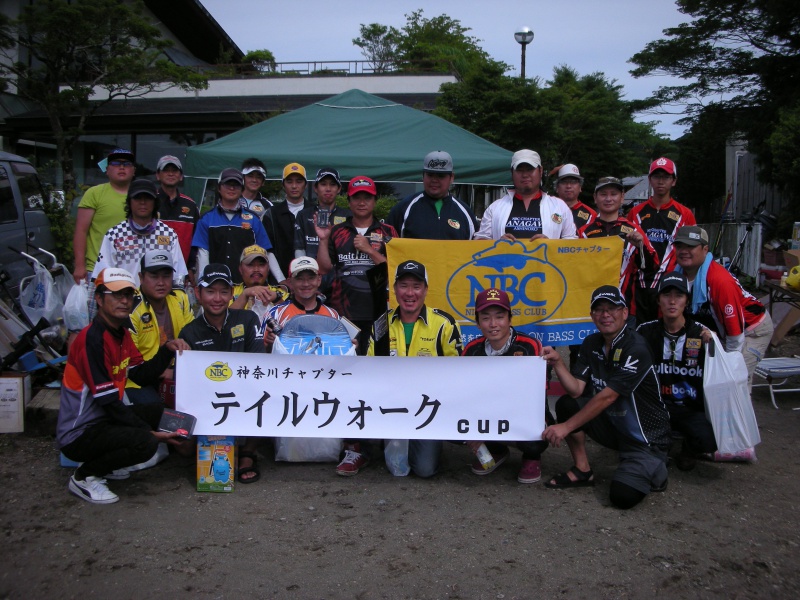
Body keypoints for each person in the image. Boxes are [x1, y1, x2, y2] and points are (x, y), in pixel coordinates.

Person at [57, 267, 191, 504]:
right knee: (146, 442)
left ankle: (106, 465)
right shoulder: (91, 340)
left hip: (103, 420)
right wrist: (149, 432)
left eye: (128, 295)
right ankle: (84, 476)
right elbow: (107, 401)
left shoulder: (121, 334)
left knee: (165, 413)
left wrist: (166, 348)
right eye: (116, 294)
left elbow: (140, 376)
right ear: (98, 299)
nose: (124, 300)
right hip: (79, 433)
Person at [542, 285, 671, 510]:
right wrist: (558, 362)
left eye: (612, 309)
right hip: (615, 426)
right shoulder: (591, 343)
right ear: (592, 315)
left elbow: (607, 397)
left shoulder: (636, 346)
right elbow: (576, 390)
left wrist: (564, 428)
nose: (605, 315)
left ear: (624, 313)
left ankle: (656, 465)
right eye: (599, 310)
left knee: (622, 497)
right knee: (567, 404)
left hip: (645, 438)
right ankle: (582, 470)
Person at [367, 260, 463, 478]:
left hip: (428, 408)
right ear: (394, 289)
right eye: (403, 285)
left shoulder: (445, 324)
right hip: (391, 406)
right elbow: (369, 370)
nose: (410, 293)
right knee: (395, 465)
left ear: (426, 290)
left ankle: (431, 444)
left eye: (416, 286)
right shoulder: (381, 324)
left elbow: (458, 372)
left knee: (424, 470)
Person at [179, 264, 266, 483]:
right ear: (198, 294)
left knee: (266, 392)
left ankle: (247, 453)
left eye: (223, 291)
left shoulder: (247, 320)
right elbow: (188, 383)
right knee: (184, 450)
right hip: (207, 398)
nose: (217, 298)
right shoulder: (188, 332)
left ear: (231, 294)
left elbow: (258, 365)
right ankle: (214, 451)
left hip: (244, 391)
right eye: (210, 291)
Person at [462, 288, 549, 483]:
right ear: (477, 323)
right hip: (487, 413)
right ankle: (496, 450)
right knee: (452, 426)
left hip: (520, 412)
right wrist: (471, 430)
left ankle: (531, 456)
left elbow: (536, 396)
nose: (493, 324)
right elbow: (465, 394)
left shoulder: (529, 346)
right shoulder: (471, 350)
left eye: (499, 317)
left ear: (510, 319)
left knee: (536, 428)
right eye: (485, 318)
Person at [673, 225, 773, 387]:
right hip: (719, 330)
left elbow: (735, 334)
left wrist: (730, 363)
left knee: (735, 380)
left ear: (705, 249)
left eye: (690, 246)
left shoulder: (720, 281)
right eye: (679, 246)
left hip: (751, 330)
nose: (684, 251)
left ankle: (739, 410)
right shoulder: (677, 274)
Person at [637, 271, 716, 471]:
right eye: (666, 295)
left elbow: (721, 370)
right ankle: (659, 444)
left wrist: (713, 346)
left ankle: (689, 447)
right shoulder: (644, 332)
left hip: (690, 408)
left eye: (678, 296)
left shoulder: (702, 333)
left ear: (687, 301)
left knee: (711, 439)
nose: (672, 301)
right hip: (656, 406)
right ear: (658, 300)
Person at [316, 176, 397, 355]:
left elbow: (395, 270)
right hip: (344, 312)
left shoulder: (388, 232)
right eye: (356, 198)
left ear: (375, 201)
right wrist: (323, 240)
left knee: (378, 365)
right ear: (349, 201)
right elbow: (323, 269)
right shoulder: (337, 231)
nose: (362, 202)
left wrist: (370, 250)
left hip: (379, 312)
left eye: (367, 197)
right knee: (344, 363)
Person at [578, 177, 658, 321]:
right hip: (588, 309)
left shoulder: (633, 230)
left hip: (623, 308)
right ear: (595, 198)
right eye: (603, 194)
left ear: (622, 198)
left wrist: (641, 246)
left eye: (613, 194)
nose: (608, 199)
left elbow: (651, 267)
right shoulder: (583, 233)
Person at [627, 157, 697, 322]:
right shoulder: (635, 213)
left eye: (665, 177)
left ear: (674, 181)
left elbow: (694, 249)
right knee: (640, 333)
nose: (661, 181)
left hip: (669, 282)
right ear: (650, 180)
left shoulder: (684, 214)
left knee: (666, 329)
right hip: (640, 283)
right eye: (656, 176)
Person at [192, 168, 282, 285]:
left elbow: (267, 252)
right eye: (227, 184)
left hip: (246, 286)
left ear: (242, 190)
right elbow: (202, 255)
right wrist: (202, 283)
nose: (232, 188)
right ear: (219, 188)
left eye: (236, 185)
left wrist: (281, 279)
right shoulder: (206, 219)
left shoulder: (253, 219)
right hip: (217, 287)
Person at [127, 250, 195, 406]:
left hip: (178, 373)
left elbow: (193, 337)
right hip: (139, 379)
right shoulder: (131, 307)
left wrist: (177, 372)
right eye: (154, 276)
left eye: (166, 276)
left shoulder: (180, 298)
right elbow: (132, 367)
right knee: (154, 408)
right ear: (141, 278)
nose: (161, 282)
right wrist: (163, 372)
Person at [91, 178, 188, 287]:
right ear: (129, 201)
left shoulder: (168, 234)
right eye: (137, 198)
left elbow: (178, 276)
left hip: (158, 302)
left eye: (148, 198)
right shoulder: (114, 234)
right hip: (124, 300)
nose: (142, 202)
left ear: (155, 202)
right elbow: (103, 275)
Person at [474, 149, 577, 241]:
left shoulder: (559, 207)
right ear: (512, 172)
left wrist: (551, 246)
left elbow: (572, 243)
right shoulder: (495, 208)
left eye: (530, 169)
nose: (525, 175)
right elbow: (479, 241)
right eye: (519, 170)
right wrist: (497, 245)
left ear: (540, 171)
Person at [73, 148, 135, 283]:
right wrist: (79, 265)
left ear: (134, 171)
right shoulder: (94, 193)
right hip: (98, 268)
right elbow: (81, 231)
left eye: (127, 164)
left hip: (133, 269)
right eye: (116, 163)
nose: (122, 167)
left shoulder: (142, 195)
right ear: (107, 170)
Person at [386, 151, 478, 240]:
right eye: (430, 175)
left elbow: (476, 250)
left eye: (440, 176)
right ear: (423, 176)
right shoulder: (404, 209)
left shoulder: (465, 212)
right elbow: (386, 246)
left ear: (451, 177)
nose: (434, 180)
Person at [294, 167, 351, 298]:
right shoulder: (303, 215)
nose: (328, 189)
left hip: (340, 282)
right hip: (310, 280)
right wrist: (304, 278)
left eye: (332, 184)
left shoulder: (348, 216)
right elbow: (299, 249)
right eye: (323, 184)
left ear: (339, 188)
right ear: (315, 188)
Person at [262, 256, 340, 348]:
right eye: (299, 279)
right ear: (290, 282)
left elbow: (338, 351)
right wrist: (270, 345)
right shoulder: (274, 314)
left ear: (319, 280)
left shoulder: (333, 315)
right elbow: (260, 354)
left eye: (311, 278)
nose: (306, 284)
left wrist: (350, 346)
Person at [263, 163, 308, 282]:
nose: (294, 186)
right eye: (289, 182)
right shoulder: (271, 214)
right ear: (283, 185)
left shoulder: (315, 212)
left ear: (305, 185)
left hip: (311, 282)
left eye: (299, 181)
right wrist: (281, 279)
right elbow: (268, 249)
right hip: (279, 282)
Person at [155, 155, 200, 273]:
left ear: (181, 177)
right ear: (158, 175)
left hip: (181, 272)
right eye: (166, 170)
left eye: (174, 170)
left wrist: (191, 267)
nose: (171, 174)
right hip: (152, 271)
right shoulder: (149, 201)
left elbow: (196, 241)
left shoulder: (190, 205)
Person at [230, 245, 287, 312]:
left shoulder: (281, 293)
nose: (256, 269)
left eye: (261, 265)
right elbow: (224, 320)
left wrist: (277, 299)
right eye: (250, 265)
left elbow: (291, 319)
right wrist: (244, 294)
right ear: (240, 269)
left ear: (268, 268)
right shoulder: (230, 292)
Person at [554, 163, 596, 230]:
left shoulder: (591, 215)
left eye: (573, 182)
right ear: (557, 188)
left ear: (580, 187)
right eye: (564, 182)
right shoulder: (548, 209)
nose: (568, 186)